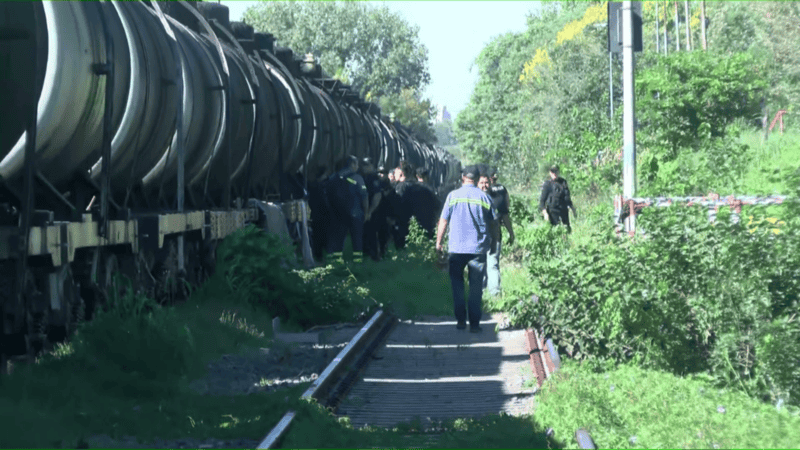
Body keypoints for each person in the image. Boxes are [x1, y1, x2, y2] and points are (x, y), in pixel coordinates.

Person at [436, 165, 495, 333]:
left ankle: (461, 321)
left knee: (457, 286)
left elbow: (443, 221)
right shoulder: (484, 197)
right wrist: (494, 241)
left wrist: (438, 242)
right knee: (476, 288)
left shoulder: (452, 196)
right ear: (477, 180)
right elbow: (494, 223)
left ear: (462, 178)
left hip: (456, 249)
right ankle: (475, 325)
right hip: (477, 250)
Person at [326, 156, 369, 263]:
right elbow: (364, 196)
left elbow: (327, 195)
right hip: (355, 213)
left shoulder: (333, 177)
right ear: (352, 165)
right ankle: (357, 262)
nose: (358, 167)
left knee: (338, 239)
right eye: (356, 164)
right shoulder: (357, 178)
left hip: (338, 213)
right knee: (357, 239)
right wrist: (366, 212)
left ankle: (337, 262)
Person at [538, 165, 576, 233]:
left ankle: (566, 242)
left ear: (558, 172)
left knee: (567, 230)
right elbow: (542, 201)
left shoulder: (563, 182)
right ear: (550, 173)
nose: (554, 173)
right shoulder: (547, 184)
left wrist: (572, 208)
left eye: (556, 171)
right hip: (553, 211)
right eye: (553, 171)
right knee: (555, 231)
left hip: (563, 210)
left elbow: (567, 197)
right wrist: (545, 213)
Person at [360, 158, 384, 261]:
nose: (364, 167)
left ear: (372, 166)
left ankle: (374, 257)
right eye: (363, 165)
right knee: (365, 235)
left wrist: (370, 211)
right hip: (365, 211)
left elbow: (377, 196)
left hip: (373, 212)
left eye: (366, 165)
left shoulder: (373, 178)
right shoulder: (363, 177)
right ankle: (366, 256)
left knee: (372, 234)